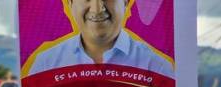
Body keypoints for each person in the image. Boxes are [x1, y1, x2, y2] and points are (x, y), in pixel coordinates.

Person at [27, 0, 175, 78]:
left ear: (125, 2)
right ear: (71, 4)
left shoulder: (156, 67)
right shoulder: (45, 65)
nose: (97, 8)